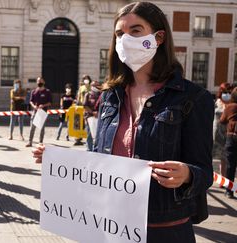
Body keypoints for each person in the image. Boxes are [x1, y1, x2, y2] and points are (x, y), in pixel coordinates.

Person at [33, 2, 214, 242]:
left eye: (136, 30)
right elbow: (98, 158)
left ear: (158, 37)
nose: (126, 39)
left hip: (164, 229)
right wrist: (58, 159)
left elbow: (205, 172)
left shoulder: (193, 98)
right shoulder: (110, 95)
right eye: (120, 33)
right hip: (112, 225)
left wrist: (188, 174)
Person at [220, 86, 237, 199]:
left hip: (232, 138)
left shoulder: (230, 107)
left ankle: (229, 191)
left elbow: (222, 120)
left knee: (230, 165)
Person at [26, 77, 52, 147]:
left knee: (42, 128)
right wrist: (34, 106)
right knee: (32, 127)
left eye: (40, 81)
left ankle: (40, 142)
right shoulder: (34, 91)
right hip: (35, 111)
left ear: (44, 82)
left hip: (43, 112)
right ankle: (30, 142)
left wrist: (43, 105)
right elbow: (31, 101)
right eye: (38, 81)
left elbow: (50, 103)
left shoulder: (47, 91)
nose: (39, 82)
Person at [213, 82, 231, 180]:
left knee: (224, 157)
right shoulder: (216, 103)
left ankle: (222, 178)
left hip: (227, 132)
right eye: (224, 92)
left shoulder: (232, 104)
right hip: (216, 132)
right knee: (213, 155)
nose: (226, 94)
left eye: (228, 92)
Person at [83, 80, 101, 151]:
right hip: (89, 117)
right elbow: (85, 105)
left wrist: (98, 113)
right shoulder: (88, 94)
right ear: (91, 86)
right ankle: (89, 150)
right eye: (94, 86)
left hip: (99, 117)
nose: (96, 87)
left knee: (98, 134)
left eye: (97, 85)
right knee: (90, 134)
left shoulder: (101, 94)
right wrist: (93, 113)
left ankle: (96, 149)